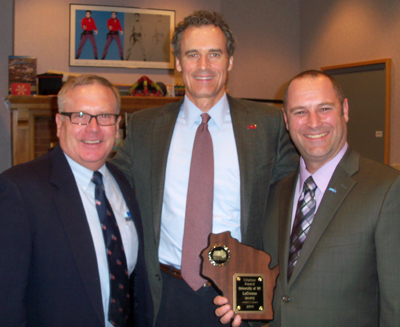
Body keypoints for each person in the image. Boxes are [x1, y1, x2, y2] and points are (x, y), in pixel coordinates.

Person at [111, 10, 298, 327]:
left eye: (215, 54)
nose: (203, 66)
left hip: (238, 292)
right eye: (192, 54)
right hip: (165, 292)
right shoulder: (144, 127)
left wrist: (264, 287)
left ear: (230, 61)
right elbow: (111, 184)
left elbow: (290, 209)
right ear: (178, 63)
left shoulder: (267, 124)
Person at [215, 70, 400, 326]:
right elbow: (276, 280)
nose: (313, 122)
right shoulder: (276, 192)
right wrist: (243, 303)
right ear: (286, 120)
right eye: (300, 112)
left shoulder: (387, 189)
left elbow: (396, 305)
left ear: (345, 110)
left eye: (324, 108)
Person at [0, 75, 153, 327]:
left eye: (104, 116)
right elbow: (7, 302)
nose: (93, 128)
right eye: (80, 115)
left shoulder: (123, 184)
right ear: (60, 123)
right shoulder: (19, 189)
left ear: (117, 127)